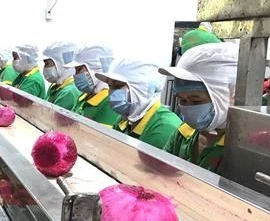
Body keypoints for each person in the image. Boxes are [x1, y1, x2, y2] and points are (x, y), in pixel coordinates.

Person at [159, 42, 239, 172]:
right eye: (182, 100)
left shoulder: (242, 150)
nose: (188, 109)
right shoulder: (184, 132)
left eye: (196, 101)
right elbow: (162, 171)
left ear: (231, 95)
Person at [96, 58, 182, 149]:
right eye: (110, 86)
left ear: (140, 89)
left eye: (118, 86)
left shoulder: (164, 127)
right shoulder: (124, 119)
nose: (111, 92)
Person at [66, 45, 120, 127]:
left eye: (79, 69)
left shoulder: (109, 103)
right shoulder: (84, 96)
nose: (75, 75)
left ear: (96, 69)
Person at [42, 41, 81, 110]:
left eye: (47, 64)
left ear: (60, 63)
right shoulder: (55, 86)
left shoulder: (68, 92)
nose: (44, 68)